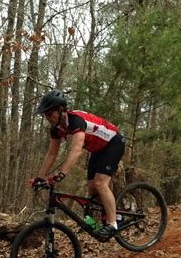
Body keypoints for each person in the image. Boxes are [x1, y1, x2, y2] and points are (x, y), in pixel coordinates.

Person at [32, 89, 125, 241]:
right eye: (45, 115)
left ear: (61, 110)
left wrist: (62, 173)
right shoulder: (56, 128)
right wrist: (39, 177)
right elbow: (52, 154)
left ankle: (113, 224)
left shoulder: (75, 121)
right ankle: (117, 215)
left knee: (100, 183)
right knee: (92, 188)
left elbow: (76, 150)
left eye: (49, 114)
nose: (47, 118)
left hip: (113, 142)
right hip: (97, 149)